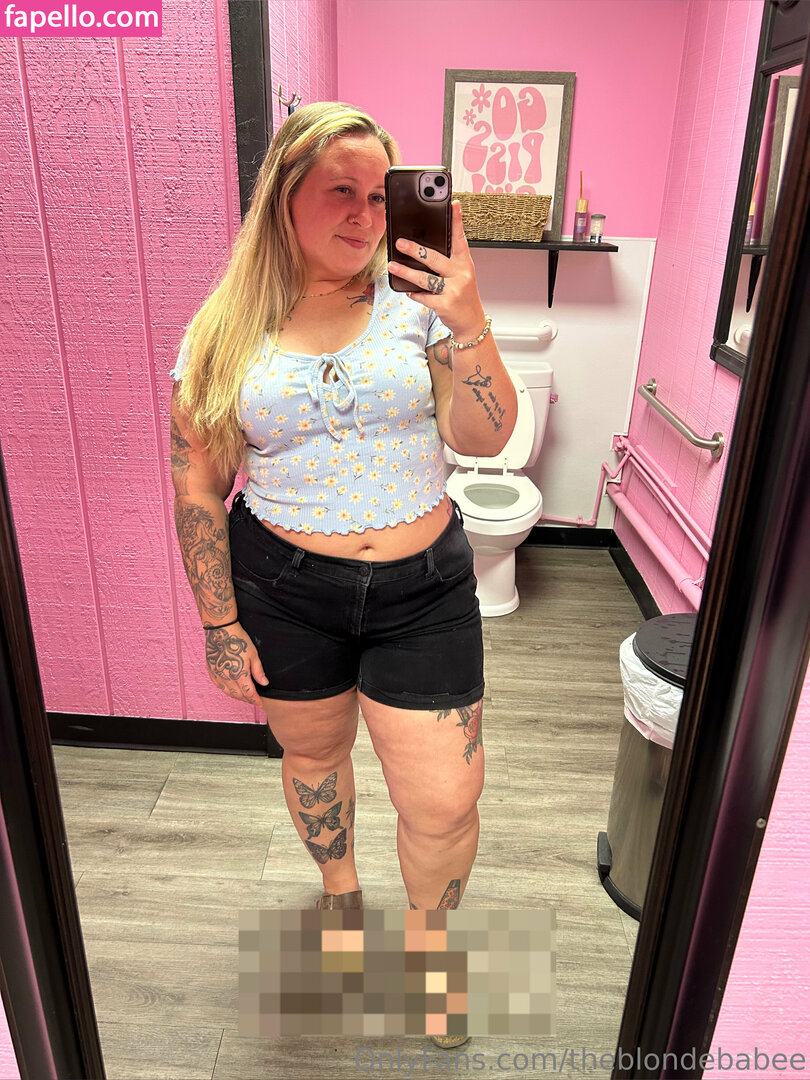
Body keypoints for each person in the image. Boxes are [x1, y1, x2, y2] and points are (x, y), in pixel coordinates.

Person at [169, 101, 516, 1047]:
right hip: (284, 590)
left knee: (444, 800)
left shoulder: (420, 308)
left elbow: (486, 437)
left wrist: (467, 314)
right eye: (340, 191)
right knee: (314, 756)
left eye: (379, 194)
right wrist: (218, 622)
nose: (365, 214)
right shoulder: (222, 331)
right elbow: (199, 483)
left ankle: (433, 953)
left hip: (424, 594)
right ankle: (339, 887)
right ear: (284, 197)